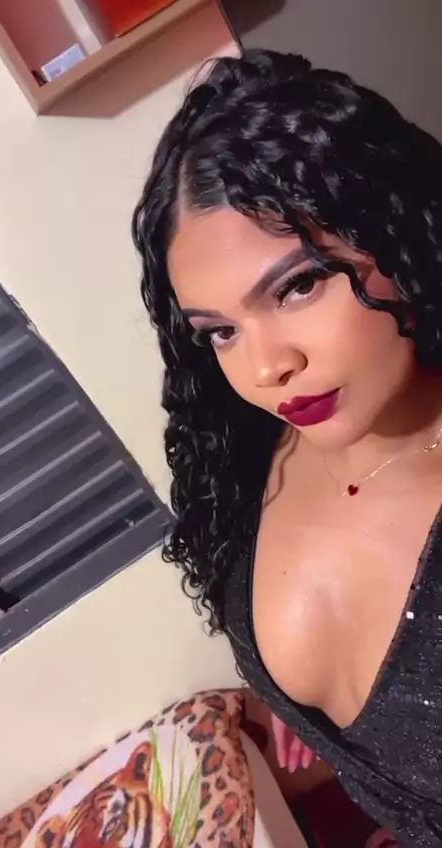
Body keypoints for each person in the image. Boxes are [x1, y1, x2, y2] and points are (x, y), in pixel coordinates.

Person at [132, 49, 442, 847]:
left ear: (402, 233)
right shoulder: (248, 456)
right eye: (221, 331)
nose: (266, 368)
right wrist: (294, 700)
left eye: (298, 285)